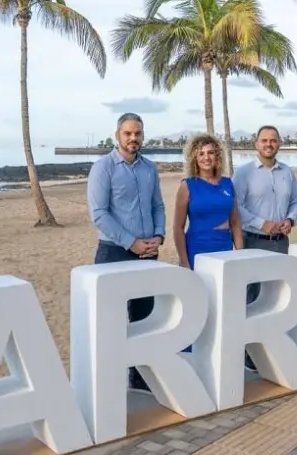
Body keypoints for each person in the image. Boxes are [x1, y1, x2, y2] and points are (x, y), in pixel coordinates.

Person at [86, 112, 166, 393]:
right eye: (128, 134)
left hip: (148, 252)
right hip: (114, 252)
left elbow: (158, 205)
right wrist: (130, 242)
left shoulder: (149, 168)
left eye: (138, 134)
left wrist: (159, 235)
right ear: (117, 135)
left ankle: (139, 376)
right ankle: (106, 380)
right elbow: (99, 214)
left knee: (144, 318)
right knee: (112, 320)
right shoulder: (103, 168)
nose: (133, 138)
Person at [232, 125, 297, 371]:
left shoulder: (288, 173)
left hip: (280, 244)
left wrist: (290, 220)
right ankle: (250, 352)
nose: (269, 144)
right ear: (256, 144)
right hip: (254, 242)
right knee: (253, 298)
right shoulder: (243, 173)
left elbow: (295, 202)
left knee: (277, 296)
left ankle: (272, 346)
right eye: (264, 140)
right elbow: (236, 207)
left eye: (273, 140)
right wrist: (264, 223)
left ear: (279, 144)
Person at [173, 133, 243, 270]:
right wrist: (183, 260)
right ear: (194, 158)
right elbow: (178, 227)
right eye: (201, 154)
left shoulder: (228, 184)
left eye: (211, 152)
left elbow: (235, 223)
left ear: (217, 156)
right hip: (197, 249)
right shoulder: (187, 186)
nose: (206, 157)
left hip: (224, 249)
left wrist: (240, 254)